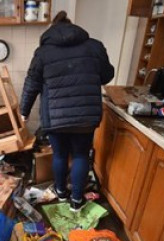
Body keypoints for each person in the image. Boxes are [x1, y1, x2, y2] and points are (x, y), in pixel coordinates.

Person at [20, 11, 114, 212]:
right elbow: (106, 75)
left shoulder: (43, 52)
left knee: (60, 155)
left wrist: (24, 111)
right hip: (86, 117)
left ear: (52, 29)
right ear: (73, 27)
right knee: (81, 155)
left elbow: (31, 83)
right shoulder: (95, 47)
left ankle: (61, 193)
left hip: (55, 117)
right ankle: (77, 202)